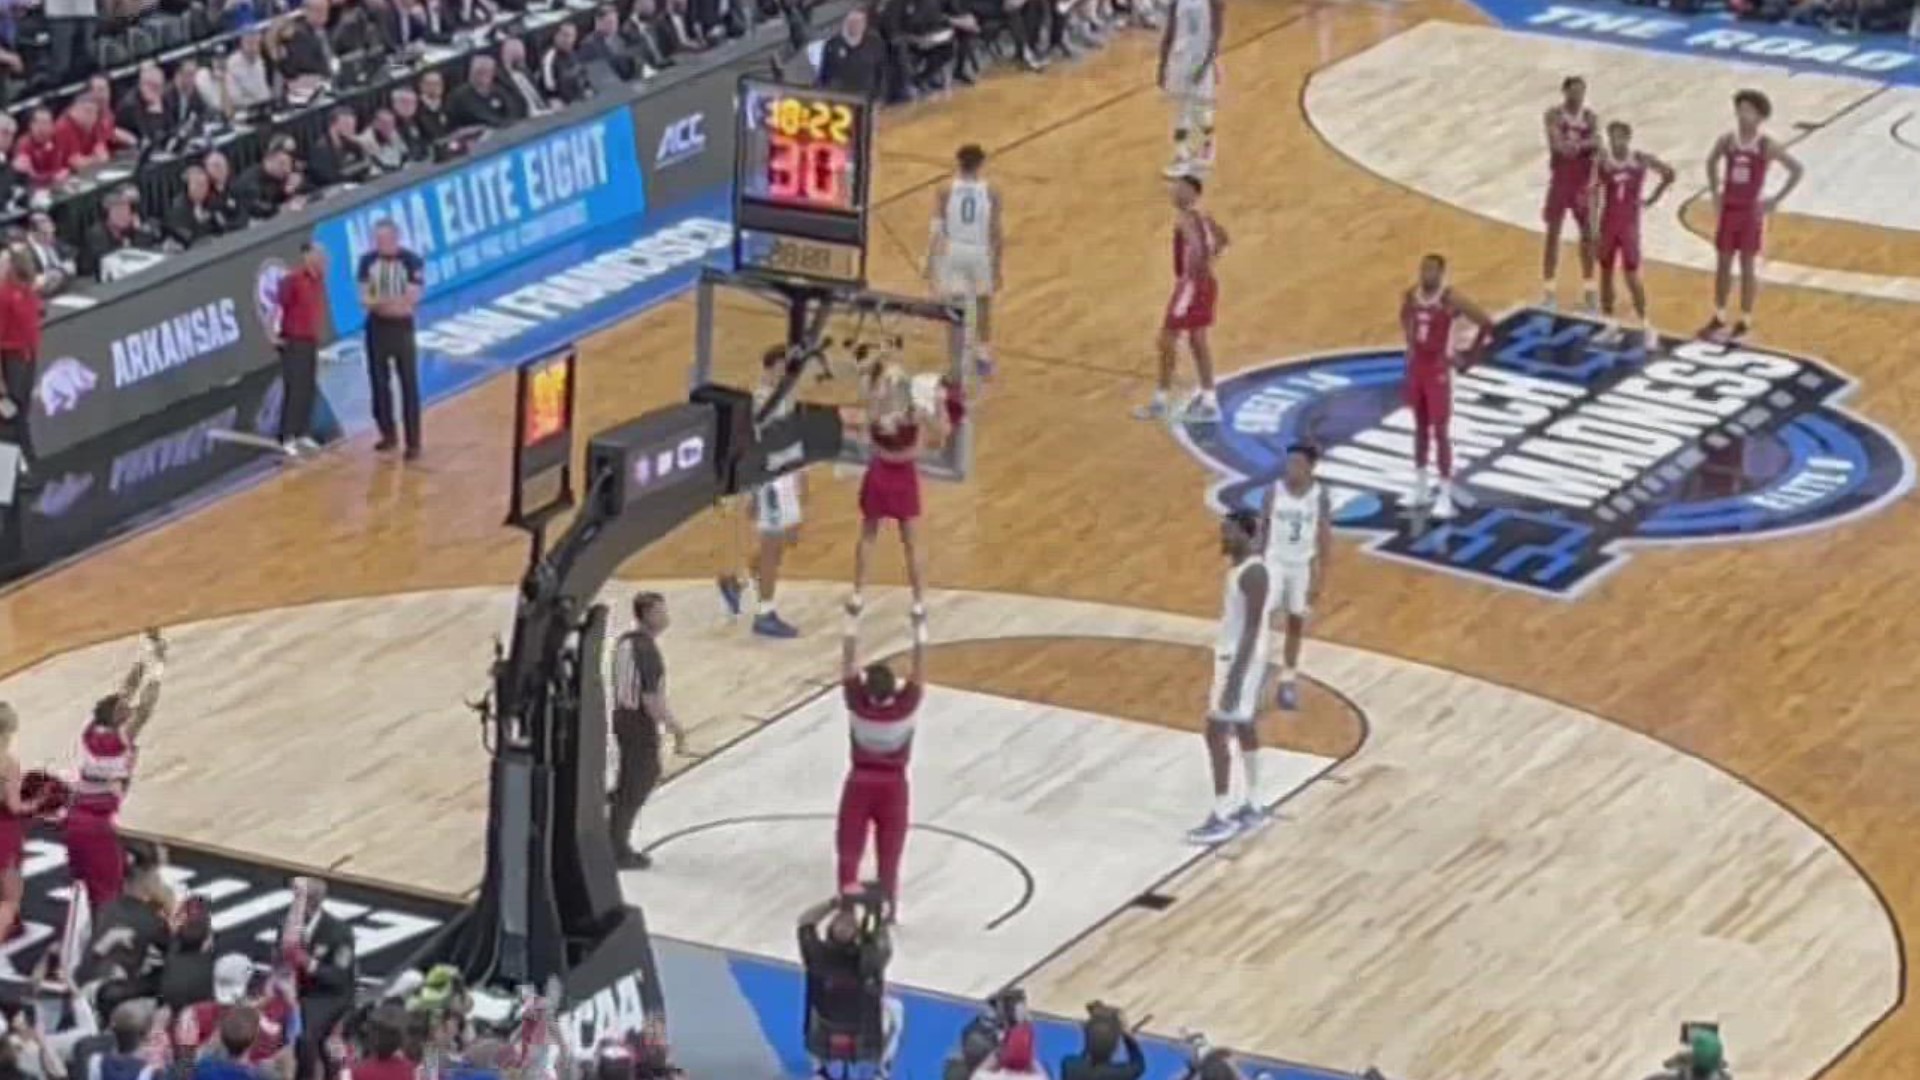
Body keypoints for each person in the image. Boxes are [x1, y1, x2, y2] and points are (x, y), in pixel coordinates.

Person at [1184, 511, 1272, 845]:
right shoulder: (1244, 570)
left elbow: (1250, 628)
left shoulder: (1253, 574)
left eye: (1230, 532)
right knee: (1245, 726)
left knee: (1216, 732)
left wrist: (1235, 679)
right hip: (1241, 658)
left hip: (1239, 660)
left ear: (1247, 535)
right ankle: (1254, 803)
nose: (1224, 538)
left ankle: (1222, 814)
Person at [835, 602, 927, 917]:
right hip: (894, 785)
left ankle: (847, 899)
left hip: (860, 780)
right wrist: (919, 626)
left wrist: (851, 621)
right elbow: (920, 667)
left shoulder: (857, 703)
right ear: (894, 688)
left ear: (867, 688)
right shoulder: (907, 704)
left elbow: (848, 664)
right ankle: (889, 906)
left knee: (850, 843)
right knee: (890, 849)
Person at [848, 366, 962, 617]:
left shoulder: (906, 410)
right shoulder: (891, 410)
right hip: (894, 474)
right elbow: (925, 443)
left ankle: (907, 598)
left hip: (887, 472)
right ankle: (863, 594)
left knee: (899, 539)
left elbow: (936, 436)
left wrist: (936, 406)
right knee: (889, 538)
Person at [68, 629, 166, 908]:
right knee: (108, 891)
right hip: (97, 823)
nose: (129, 708)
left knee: (86, 883)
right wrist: (158, 668)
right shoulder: (120, 738)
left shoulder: (91, 731)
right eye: (124, 710)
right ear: (116, 718)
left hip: (76, 816)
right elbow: (145, 708)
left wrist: (144, 655)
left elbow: (125, 692)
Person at [1700, 88, 1803, 344]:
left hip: (1750, 212)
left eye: (1748, 110)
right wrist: (1714, 192)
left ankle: (1745, 319)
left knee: (1747, 266)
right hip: (1729, 210)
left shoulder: (1766, 145)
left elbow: (1796, 169)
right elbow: (1711, 161)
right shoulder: (1727, 140)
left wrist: (1775, 200)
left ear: (1760, 116)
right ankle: (1719, 314)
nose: (1742, 114)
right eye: (1740, 109)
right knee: (1723, 264)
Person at [717, 347, 805, 639]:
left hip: (787, 475)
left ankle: (738, 581)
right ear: (768, 369)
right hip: (771, 480)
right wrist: (754, 492)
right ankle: (764, 613)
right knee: (771, 546)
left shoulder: (787, 397)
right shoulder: (758, 402)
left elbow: (792, 437)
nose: (785, 375)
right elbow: (752, 447)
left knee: (787, 541)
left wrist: (801, 475)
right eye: (781, 369)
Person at [1400, 253, 1492, 520]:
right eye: (1423, 268)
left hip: (1439, 370)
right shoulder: (1410, 295)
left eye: (1431, 270)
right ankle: (1419, 486)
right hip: (1418, 368)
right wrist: (1410, 345)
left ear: (1441, 274)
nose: (1425, 274)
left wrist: (1469, 358)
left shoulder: (1451, 298)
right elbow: (1405, 317)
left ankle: (1445, 493)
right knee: (1419, 427)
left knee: (1440, 430)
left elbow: (1485, 322)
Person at [1135, 175, 1226, 423]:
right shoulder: (1205, 217)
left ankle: (1161, 401)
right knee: (1198, 342)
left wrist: (1195, 273)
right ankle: (1209, 402)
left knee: (1166, 340)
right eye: (1175, 188)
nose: (1175, 192)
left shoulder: (1185, 219)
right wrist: (1210, 263)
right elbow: (1222, 240)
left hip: (1191, 286)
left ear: (1194, 193)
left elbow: (1196, 248)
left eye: (1181, 189)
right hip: (1206, 284)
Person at [608, 592, 686, 869]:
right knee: (640, 779)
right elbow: (650, 699)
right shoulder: (646, 650)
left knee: (633, 779)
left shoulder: (626, 642)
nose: (666, 617)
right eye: (661, 612)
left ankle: (613, 831)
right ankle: (615, 846)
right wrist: (675, 727)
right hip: (637, 721)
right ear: (649, 615)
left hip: (623, 717)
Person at [797, 894, 901, 1075]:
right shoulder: (871, 959)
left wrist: (833, 903)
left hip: (823, 1032)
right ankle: (882, 1069)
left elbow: (805, 921)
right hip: (865, 1034)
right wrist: (874, 915)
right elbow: (883, 942)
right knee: (896, 1008)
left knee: (814, 1011)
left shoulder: (815, 954)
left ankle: (819, 1069)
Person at [1592, 120, 1673, 351]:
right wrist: (1594, 226)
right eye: (1611, 136)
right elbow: (1594, 193)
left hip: (1628, 226)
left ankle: (1648, 327)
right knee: (1605, 275)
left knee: (1632, 277)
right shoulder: (1604, 164)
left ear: (1628, 137)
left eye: (1619, 136)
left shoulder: (1639, 159)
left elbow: (1669, 173)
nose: (1614, 141)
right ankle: (1610, 324)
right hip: (1608, 224)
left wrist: (1651, 199)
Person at [1262, 444, 1329, 712]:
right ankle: (1253, 672)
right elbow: (1262, 529)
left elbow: (1325, 538)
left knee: (1295, 624)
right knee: (1260, 618)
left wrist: (1320, 578)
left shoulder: (1318, 497)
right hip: (1274, 562)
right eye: (1289, 463)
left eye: (1298, 464)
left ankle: (1288, 679)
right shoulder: (1273, 492)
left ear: (1310, 467)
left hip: (1301, 566)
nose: (1291, 469)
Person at [927, 144, 1001, 380]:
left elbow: (936, 229)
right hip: (979, 250)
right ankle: (983, 354)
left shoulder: (946, 188)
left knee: (955, 311)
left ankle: (955, 365)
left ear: (958, 162)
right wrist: (997, 266)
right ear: (981, 163)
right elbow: (996, 231)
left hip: (954, 250)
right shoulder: (990, 191)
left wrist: (929, 260)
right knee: (983, 304)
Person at [357, 219, 426, 458]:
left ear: (396, 238)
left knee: (409, 385)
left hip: (401, 329)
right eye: (377, 240)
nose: (380, 244)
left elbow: (410, 301)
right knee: (378, 384)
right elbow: (364, 299)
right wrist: (390, 301)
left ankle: (413, 442)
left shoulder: (411, 261)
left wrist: (381, 301)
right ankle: (387, 434)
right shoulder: (367, 261)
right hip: (376, 328)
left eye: (385, 239)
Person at [1541, 75, 1599, 312]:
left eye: (1582, 91)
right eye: (1574, 91)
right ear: (1565, 92)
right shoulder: (1554, 114)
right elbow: (1557, 145)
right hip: (1560, 182)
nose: (1578, 96)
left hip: (1581, 184)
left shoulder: (1590, 117)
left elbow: (1597, 142)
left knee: (1587, 237)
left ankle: (1589, 291)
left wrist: (1577, 146)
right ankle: (1549, 292)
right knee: (1553, 235)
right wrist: (1582, 146)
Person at [275, 241, 329, 455]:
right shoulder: (293, 280)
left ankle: (303, 432)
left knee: (308, 387)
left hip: (310, 340)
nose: (323, 258)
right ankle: (287, 436)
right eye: (318, 254)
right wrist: (276, 336)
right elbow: (278, 308)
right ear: (307, 256)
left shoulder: (319, 280)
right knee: (295, 389)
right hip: (294, 341)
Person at [1157, 0, 1221, 177]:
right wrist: (1162, 65)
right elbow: (1170, 32)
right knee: (1181, 112)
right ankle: (1181, 156)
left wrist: (1207, 63)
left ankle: (1208, 145)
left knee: (1201, 113)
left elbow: (1216, 34)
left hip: (1201, 62)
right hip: (1179, 60)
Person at [0, 251, 41, 458]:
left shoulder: (27, 291)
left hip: (28, 356)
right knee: (11, 415)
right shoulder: (4, 295)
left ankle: (25, 461)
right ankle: (21, 463)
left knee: (22, 411)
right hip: (12, 360)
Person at [81, 187, 162, 281]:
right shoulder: (97, 234)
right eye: (117, 211)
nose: (123, 214)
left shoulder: (138, 227)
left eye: (125, 210)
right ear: (107, 214)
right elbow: (109, 262)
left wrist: (140, 232)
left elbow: (145, 253)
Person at [0, 703, 26, 955]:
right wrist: (39, 801)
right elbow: (14, 806)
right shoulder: (8, 763)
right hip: (3, 831)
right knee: (10, 898)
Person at [1058, 1004, 1144, 1080]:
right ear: (1114, 1048)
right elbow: (1138, 1066)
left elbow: (1084, 1059)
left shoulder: (1069, 1065)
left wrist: (1095, 1024)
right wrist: (1127, 1035)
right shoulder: (1118, 1074)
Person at [817, 8, 887, 99]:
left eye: (859, 22)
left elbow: (881, 72)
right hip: (837, 95)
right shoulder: (832, 44)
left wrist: (880, 96)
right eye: (852, 22)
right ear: (846, 23)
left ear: (864, 24)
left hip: (865, 96)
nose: (855, 25)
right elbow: (824, 73)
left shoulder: (875, 44)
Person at [234, 139, 308, 220]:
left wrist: (296, 187)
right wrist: (279, 209)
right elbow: (255, 206)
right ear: (268, 161)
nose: (287, 170)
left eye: (288, 165)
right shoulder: (249, 180)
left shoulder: (281, 175)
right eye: (281, 164)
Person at [165, 166, 233, 248]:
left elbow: (225, 226)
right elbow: (186, 240)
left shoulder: (212, 201)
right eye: (198, 185)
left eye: (205, 185)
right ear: (188, 186)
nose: (202, 189)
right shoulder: (178, 209)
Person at [306, 107, 370, 188]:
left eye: (353, 125)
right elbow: (327, 179)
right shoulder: (320, 150)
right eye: (347, 125)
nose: (352, 129)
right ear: (333, 126)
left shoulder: (354, 145)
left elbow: (365, 166)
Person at [449, 56, 514, 128]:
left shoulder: (497, 89)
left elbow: (511, 108)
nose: (485, 76)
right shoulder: (460, 95)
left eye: (489, 71)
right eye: (480, 72)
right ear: (472, 73)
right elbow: (481, 116)